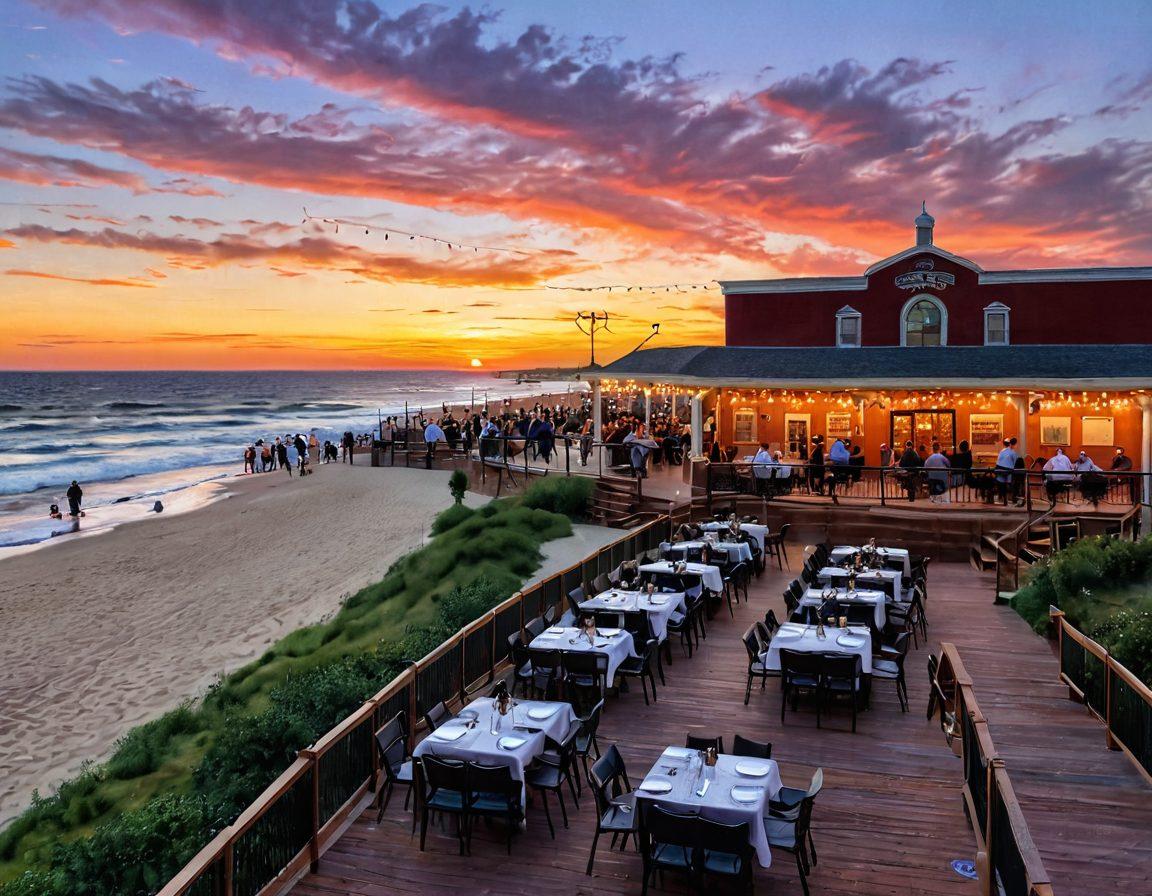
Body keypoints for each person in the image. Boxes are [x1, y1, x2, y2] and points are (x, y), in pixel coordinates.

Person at [995, 438, 1020, 506]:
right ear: (1015, 444)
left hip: (999, 469)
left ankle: (1002, 497)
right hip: (1008, 471)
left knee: (1003, 482)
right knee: (1014, 480)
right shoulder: (1013, 453)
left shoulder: (1002, 451)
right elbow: (1015, 464)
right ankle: (1013, 498)